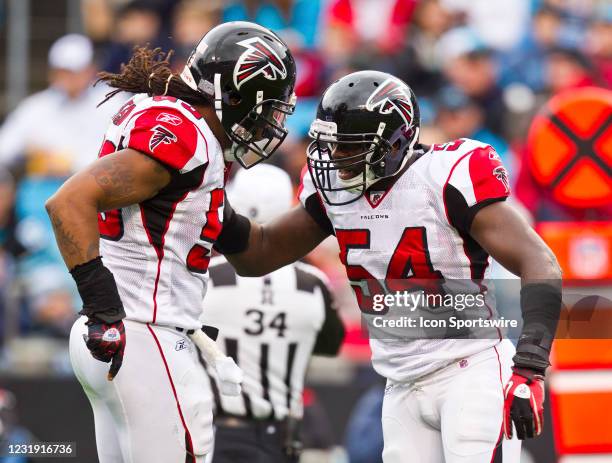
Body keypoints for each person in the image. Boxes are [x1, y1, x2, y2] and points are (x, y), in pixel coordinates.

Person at [214, 70, 563, 462]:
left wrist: (530, 367)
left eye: (350, 147)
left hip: (471, 370)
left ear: (394, 142)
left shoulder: (444, 176)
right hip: (399, 382)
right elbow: (259, 253)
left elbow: (540, 263)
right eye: (331, 145)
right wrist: (205, 195)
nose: (335, 159)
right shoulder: (333, 191)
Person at [45, 22, 296, 463]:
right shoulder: (187, 135)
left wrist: (328, 214)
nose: (272, 122)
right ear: (234, 96)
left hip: (126, 335)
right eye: (269, 108)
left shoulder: (182, 130)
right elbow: (69, 202)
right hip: (144, 335)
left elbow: (255, 251)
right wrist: (104, 306)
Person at [199, 165, 344, 463]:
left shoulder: (205, 278)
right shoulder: (313, 284)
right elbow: (331, 345)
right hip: (280, 438)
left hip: (214, 433)